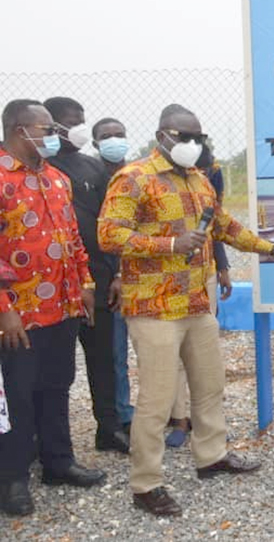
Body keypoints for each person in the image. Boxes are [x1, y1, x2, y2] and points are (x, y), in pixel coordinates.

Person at [98, 104, 274, 517]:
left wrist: (272, 249)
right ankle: (146, 483)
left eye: (198, 138)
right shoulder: (133, 178)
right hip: (154, 308)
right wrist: (168, 245)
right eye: (185, 137)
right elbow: (108, 234)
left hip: (195, 303)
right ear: (163, 136)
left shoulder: (198, 179)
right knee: (156, 400)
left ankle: (211, 457)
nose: (193, 145)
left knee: (209, 386)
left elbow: (224, 225)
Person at [0, 99, 105, 517]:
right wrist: (3, 308)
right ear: (18, 130)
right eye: (46, 129)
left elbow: (74, 239)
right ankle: (13, 479)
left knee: (57, 386)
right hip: (17, 315)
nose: (53, 137)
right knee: (18, 396)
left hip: (62, 307)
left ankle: (58, 463)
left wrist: (87, 284)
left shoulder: (57, 179)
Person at [45, 98, 129, 454]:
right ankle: (46, 442)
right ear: (52, 127)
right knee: (53, 372)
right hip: (54, 289)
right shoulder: (38, 170)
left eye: (82, 121)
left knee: (104, 362)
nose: (79, 127)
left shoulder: (93, 168)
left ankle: (108, 429)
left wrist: (118, 274)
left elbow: (114, 224)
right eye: (70, 122)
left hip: (99, 280)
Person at [165, 141, 230, 448]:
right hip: (164, 281)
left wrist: (223, 266)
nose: (189, 142)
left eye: (196, 136)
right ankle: (179, 420)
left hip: (202, 277)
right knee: (174, 355)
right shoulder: (143, 179)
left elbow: (217, 223)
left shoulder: (209, 173)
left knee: (204, 358)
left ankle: (209, 433)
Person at [92, 117, 135, 434]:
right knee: (116, 353)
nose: (114, 140)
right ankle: (123, 415)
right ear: (95, 144)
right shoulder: (90, 178)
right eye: (106, 136)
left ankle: (158, 413)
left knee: (155, 353)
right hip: (112, 279)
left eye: (119, 134)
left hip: (144, 276)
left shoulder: (137, 175)